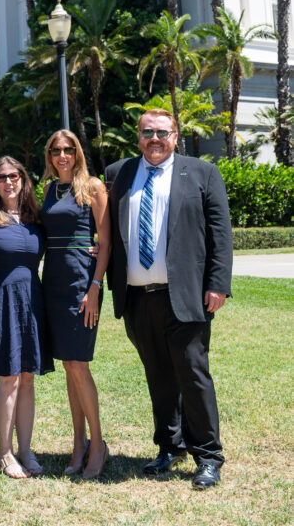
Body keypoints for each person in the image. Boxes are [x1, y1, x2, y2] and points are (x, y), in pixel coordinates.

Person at [106, 109, 232, 490]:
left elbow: (220, 232)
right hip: (137, 298)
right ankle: (170, 446)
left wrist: (218, 284)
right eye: (148, 132)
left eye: (163, 132)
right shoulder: (117, 174)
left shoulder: (202, 172)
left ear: (176, 136)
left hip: (188, 295)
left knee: (192, 375)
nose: (155, 138)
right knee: (158, 375)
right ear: (138, 135)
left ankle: (208, 456)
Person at [41, 129, 111, 480]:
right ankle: (79, 442)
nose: (62, 155)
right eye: (56, 150)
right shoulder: (48, 190)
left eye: (68, 149)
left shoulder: (93, 187)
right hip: (52, 284)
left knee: (79, 364)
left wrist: (95, 287)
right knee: (69, 365)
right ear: (50, 155)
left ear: (78, 152)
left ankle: (98, 444)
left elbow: (106, 241)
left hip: (82, 285)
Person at [0, 155, 53, 480]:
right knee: (8, 379)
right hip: (2, 304)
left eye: (14, 175)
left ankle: (25, 449)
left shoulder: (35, 219)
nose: (8, 181)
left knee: (27, 378)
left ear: (23, 179)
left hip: (32, 304)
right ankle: (4, 452)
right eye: (1, 177)